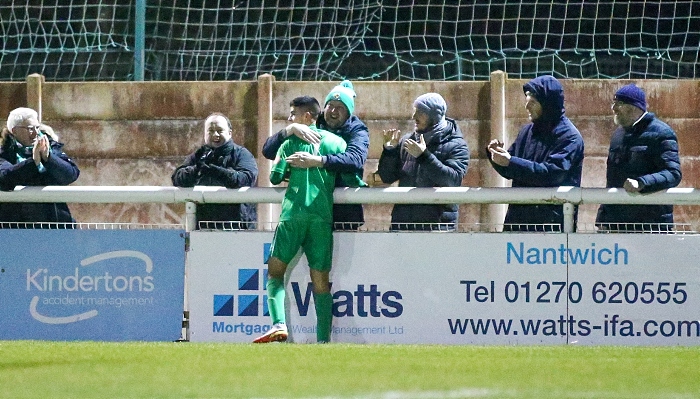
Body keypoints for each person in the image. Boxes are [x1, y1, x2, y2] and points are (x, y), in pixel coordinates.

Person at [253, 96, 366, 344]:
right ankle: (323, 341)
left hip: (292, 216)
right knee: (321, 283)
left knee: (274, 273)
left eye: (293, 114)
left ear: (307, 117)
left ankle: (279, 324)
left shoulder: (290, 142)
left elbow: (275, 176)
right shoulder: (336, 142)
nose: (290, 119)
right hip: (321, 219)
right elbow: (351, 179)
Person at [262, 80, 369, 230]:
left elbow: (355, 159)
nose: (333, 111)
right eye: (330, 106)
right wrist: (289, 130)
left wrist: (317, 161)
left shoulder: (357, 130)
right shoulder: (310, 121)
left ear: (349, 112)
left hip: (342, 212)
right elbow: (268, 151)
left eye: (340, 107)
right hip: (305, 207)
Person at [487, 75, 584, 232]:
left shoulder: (570, 137)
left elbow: (552, 173)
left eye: (532, 102)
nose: (527, 107)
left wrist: (510, 161)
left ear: (547, 104)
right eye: (526, 101)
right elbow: (510, 169)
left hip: (551, 228)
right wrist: (495, 156)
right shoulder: (527, 131)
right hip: (518, 223)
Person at [595, 83, 682, 233]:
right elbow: (612, 180)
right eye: (613, 103)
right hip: (617, 225)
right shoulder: (618, 135)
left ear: (634, 107)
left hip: (651, 226)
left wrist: (642, 183)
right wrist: (603, 217)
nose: (613, 108)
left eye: (619, 104)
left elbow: (673, 173)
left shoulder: (662, 133)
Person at [377, 93, 469, 231]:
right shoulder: (408, 141)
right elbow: (386, 177)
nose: (413, 117)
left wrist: (424, 156)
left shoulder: (457, 145)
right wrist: (390, 151)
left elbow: (452, 180)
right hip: (403, 227)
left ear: (434, 116)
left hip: (438, 229)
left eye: (420, 112)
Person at [171, 112, 258, 229]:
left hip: (236, 227)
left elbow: (245, 179)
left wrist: (215, 171)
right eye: (210, 131)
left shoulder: (242, 154)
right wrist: (197, 169)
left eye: (219, 130)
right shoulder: (199, 155)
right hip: (203, 226)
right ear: (204, 134)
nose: (215, 135)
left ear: (230, 133)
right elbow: (177, 178)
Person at [0, 107, 80, 228]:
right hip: (15, 229)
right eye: (30, 129)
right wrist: (34, 163)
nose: (36, 133)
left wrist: (48, 158)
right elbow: (5, 178)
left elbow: (71, 174)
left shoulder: (50, 147)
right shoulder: (4, 152)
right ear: (14, 130)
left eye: (37, 127)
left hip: (54, 226)